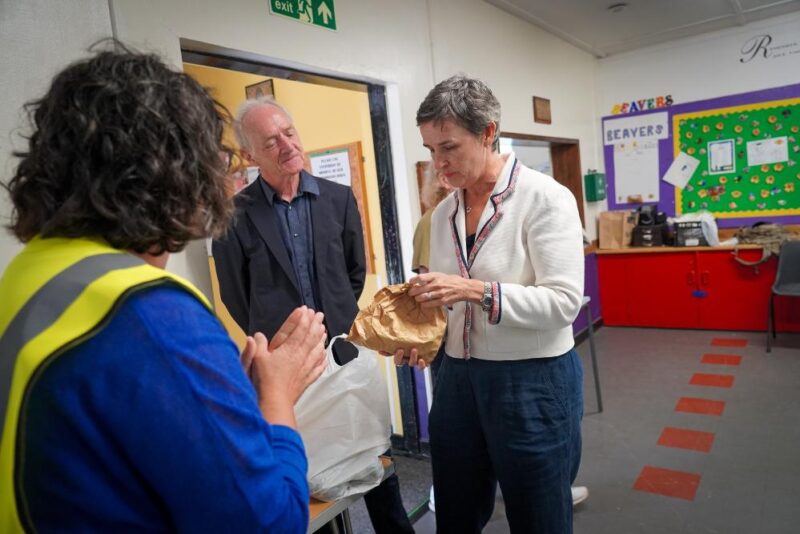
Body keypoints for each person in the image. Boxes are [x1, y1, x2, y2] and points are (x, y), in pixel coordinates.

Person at [0, 45, 328, 533]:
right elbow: (270, 524)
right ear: (178, 171)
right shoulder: (152, 315)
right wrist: (277, 396)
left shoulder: (26, 276)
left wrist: (226, 395)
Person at [212, 97, 414, 534]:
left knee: (374, 457)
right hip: (287, 368)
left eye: (289, 132)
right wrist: (283, 342)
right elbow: (235, 295)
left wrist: (334, 321)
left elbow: (354, 272)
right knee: (309, 473)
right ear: (250, 155)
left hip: (344, 353)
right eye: (271, 141)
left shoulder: (337, 199)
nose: (287, 145)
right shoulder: (234, 217)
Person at [396, 75, 586, 533]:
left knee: (539, 517)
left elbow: (564, 303)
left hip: (532, 379)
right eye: (430, 150)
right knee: (456, 514)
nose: (439, 163)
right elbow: (445, 304)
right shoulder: (444, 214)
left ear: (487, 132)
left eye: (449, 147)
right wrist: (419, 337)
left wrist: (474, 290)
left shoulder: (546, 198)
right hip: (457, 379)